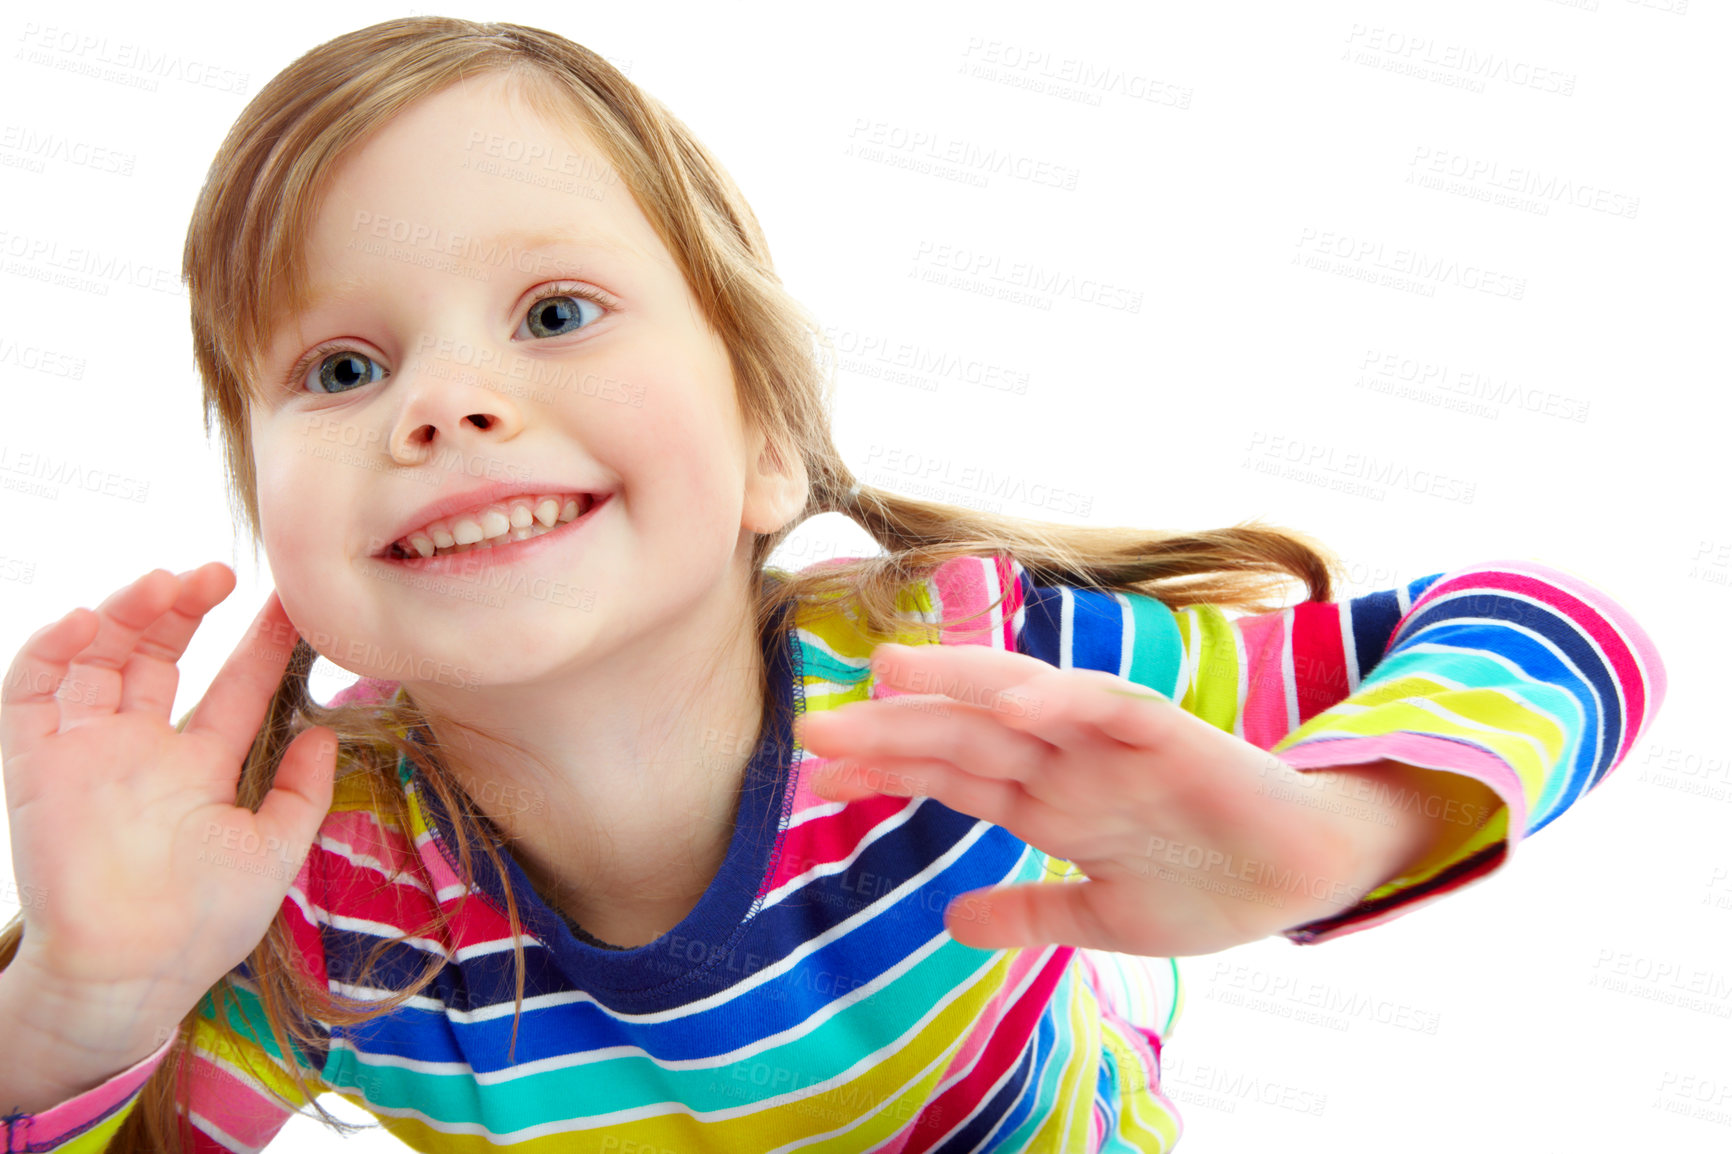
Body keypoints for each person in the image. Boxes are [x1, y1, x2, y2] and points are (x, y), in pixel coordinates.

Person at [0, 16, 1666, 1153]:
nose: (445, 402)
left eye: (558, 313)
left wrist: (1350, 834)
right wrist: (83, 1001)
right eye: (344, 364)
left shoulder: (959, 668)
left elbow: (1563, 634)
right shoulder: (319, 885)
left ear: (771, 447)